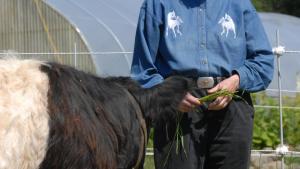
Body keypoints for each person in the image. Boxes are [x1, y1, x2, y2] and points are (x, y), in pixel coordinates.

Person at [130, 0, 274, 168]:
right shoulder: (157, 4)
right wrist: (169, 94)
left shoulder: (239, 4)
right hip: (177, 108)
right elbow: (143, 71)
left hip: (232, 103)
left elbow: (263, 62)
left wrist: (236, 80)